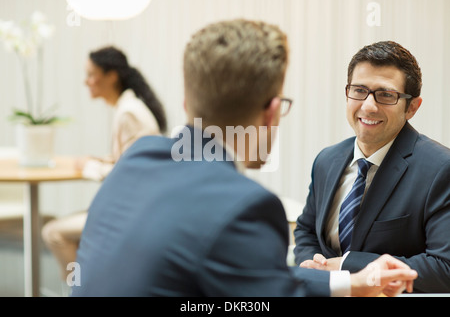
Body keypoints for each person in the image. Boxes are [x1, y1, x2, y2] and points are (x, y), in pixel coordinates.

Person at [71, 20, 417, 297]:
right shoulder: (245, 207)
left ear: (187, 106)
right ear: (271, 112)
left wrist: (350, 284)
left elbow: (257, 278)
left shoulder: (136, 159)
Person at [294, 41, 450, 293]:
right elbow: (306, 229)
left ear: (412, 107)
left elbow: (445, 268)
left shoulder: (441, 169)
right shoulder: (326, 160)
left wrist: (346, 265)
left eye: (386, 95)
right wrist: (311, 263)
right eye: (359, 90)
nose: (368, 106)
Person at [41, 46, 167, 283]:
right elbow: (131, 159)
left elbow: (131, 173)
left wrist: (88, 168)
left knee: (53, 232)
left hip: (131, 212)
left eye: (91, 74)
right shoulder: (129, 107)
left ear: (111, 76)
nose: (85, 81)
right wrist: (102, 160)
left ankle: (81, 289)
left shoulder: (129, 112)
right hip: (136, 206)